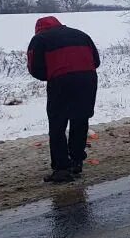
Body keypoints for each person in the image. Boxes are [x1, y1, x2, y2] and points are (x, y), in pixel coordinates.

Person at [27, 16, 100, 183]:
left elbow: (34, 68)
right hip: (88, 79)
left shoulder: (39, 39)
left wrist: (52, 75)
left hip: (60, 81)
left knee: (57, 124)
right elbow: (96, 61)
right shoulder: (81, 35)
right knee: (80, 119)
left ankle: (61, 169)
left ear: (39, 29)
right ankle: (76, 161)